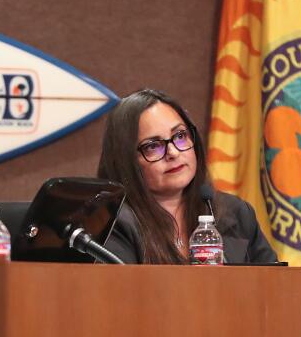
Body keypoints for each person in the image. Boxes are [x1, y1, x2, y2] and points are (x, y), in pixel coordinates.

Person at [97, 88, 277, 264]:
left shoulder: (236, 213)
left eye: (180, 135)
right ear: (125, 160)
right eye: (152, 146)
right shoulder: (113, 224)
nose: (173, 152)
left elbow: (274, 284)